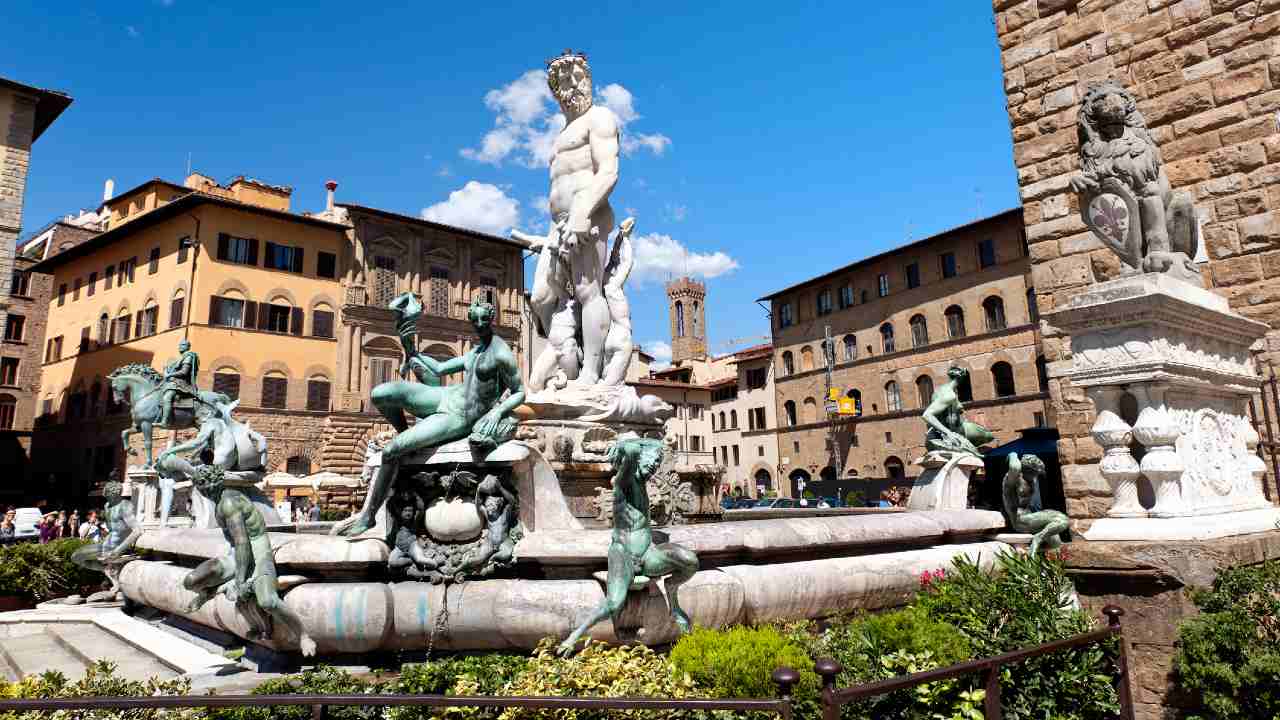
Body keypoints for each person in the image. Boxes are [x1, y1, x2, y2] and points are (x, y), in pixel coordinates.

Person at [337, 294, 525, 537]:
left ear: (491, 320)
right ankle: (408, 436)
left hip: (460, 416)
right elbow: (438, 368)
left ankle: (368, 517)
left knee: (391, 450)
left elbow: (520, 392)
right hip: (446, 395)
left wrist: (498, 411)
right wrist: (411, 349)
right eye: (474, 320)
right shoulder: (475, 350)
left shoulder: (501, 353)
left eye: (483, 320)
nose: (478, 325)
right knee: (381, 393)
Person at [158, 339, 200, 428]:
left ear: (187, 347)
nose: (180, 347)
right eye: (180, 345)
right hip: (174, 382)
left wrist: (170, 374)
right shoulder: (181, 357)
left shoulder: (188, 357)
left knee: (167, 397)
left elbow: (184, 372)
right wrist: (166, 370)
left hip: (182, 384)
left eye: (183, 345)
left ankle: (164, 421)